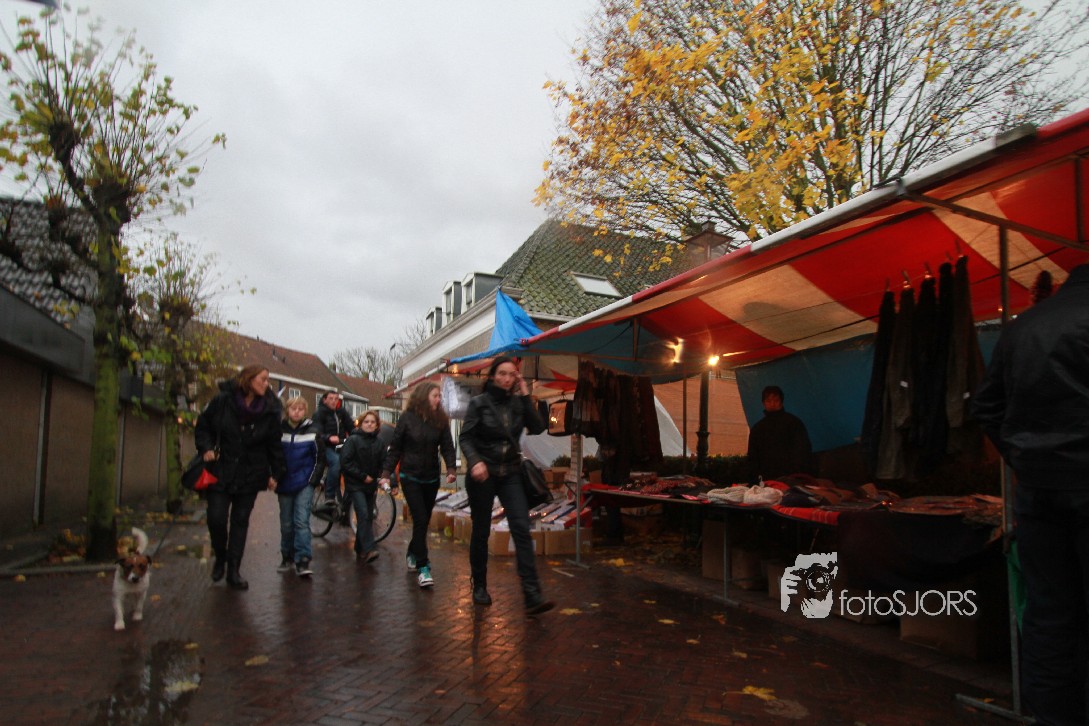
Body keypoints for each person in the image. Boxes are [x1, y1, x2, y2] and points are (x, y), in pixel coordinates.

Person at [972, 262, 1089, 726]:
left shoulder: (1023, 327)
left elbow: (986, 405)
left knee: (1048, 612)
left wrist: (1024, 457)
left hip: (1039, 491)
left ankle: (1053, 716)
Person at [458, 356, 552, 614]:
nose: (507, 378)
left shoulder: (518, 403)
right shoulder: (479, 403)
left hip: (510, 472)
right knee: (481, 531)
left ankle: (532, 594)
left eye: (512, 374)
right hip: (484, 473)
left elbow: (537, 427)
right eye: (502, 373)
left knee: (521, 527)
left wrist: (525, 393)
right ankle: (479, 585)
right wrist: (475, 461)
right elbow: (465, 437)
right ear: (492, 375)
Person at [195, 364, 285, 590]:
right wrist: (206, 447)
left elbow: (274, 444)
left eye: (267, 380)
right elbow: (203, 426)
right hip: (221, 469)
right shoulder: (222, 401)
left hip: (251, 472)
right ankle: (221, 556)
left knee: (240, 521)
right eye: (263, 379)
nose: (267, 384)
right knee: (216, 518)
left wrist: (276, 473)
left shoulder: (270, 409)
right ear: (248, 379)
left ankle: (233, 570)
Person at [379, 382, 456, 589]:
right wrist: (386, 473)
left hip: (431, 477)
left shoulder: (440, 420)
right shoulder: (407, 418)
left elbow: (447, 446)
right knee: (420, 518)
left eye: (439, 396)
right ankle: (423, 567)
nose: (438, 399)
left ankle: (413, 552)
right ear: (423, 396)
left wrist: (450, 468)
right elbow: (395, 448)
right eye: (435, 395)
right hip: (410, 475)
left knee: (423, 520)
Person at [276, 396, 325, 578]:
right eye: (293, 409)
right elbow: (273, 455)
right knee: (286, 523)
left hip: (305, 482)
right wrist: (274, 475)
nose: (297, 412)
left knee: (301, 521)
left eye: (300, 409)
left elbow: (320, 459)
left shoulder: (313, 431)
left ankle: (303, 559)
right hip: (284, 481)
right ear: (287, 410)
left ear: (305, 411)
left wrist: (313, 480)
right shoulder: (279, 431)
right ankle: (287, 556)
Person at [341, 411, 387, 563]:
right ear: (361, 424)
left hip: (370, 485)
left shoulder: (379, 443)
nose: (369, 424)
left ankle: (359, 549)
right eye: (366, 422)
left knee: (367, 516)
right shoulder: (353, 440)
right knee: (363, 513)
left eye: (372, 422)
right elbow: (346, 462)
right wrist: (362, 476)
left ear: (377, 425)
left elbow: (384, 463)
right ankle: (369, 549)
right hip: (355, 484)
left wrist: (387, 479)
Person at [746, 385, 813, 482]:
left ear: (781, 402)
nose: (772, 404)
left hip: (792, 479)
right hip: (766, 481)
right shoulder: (757, 429)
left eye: (776, 400)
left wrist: (797, 475)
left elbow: (802, 451)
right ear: (763, 403)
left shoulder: (793, 423)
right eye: (768, 401)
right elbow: (752, 457)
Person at [313, 390, 355, 505]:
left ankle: (347, 501)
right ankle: (329, 496)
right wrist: (328, 437)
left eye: (336, 399)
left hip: (341, 446)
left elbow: (351, 428)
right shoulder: (319, 413)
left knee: (353, 465)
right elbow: (316, 432)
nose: (333, 401)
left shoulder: (341, 412)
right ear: (324, 400)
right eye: (331, 398)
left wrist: (360, 436)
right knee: (336, 463)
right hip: (325, 447)